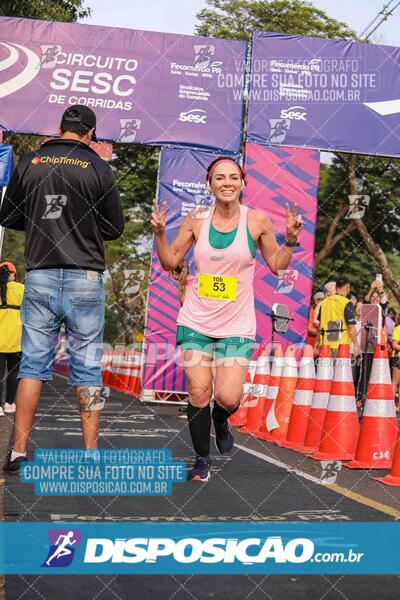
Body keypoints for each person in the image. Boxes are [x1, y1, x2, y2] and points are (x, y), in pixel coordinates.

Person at [151, 156, 302, 482]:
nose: (227, 183)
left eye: (233, 177)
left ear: (243, 183)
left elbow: (278, 265)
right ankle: (202, 459)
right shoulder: (196, 220)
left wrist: (289, 240)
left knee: (228, 398)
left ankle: (221, 420)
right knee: (199, 391)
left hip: (236, 324)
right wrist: (161, 235)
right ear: (210, 184)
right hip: (196, 321)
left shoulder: (256, 221)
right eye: (220, 178)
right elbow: (170, 261)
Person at [0, 105, 124, 473]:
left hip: (39, 274)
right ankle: (89, 455)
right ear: (90, 133)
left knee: (32, 367)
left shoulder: (32, 161)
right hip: (85, 277)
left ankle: (18, 451)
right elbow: (114, 228)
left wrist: (41, 220)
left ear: (61, 128)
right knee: (88, 369)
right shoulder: (100, 168)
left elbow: (7, 215)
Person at [0, 262, 24, 416]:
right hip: (16, 340)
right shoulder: (21, 289)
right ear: (14, 274)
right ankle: (9, 403)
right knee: (14, 373)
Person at [316, 276, 359, 359]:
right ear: (347, 288)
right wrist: (356, 345)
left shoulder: (324, 302)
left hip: (324, 346)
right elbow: (351, 327)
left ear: (336, 288)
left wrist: (317, 342)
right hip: (341, 347)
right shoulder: (347, 303)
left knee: (325, 371)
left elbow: (320, 325)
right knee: (340, 372)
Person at [392, 313, 400, 409]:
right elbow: (394, 344)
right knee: (395, 382)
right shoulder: (398, 329)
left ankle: (399, 406)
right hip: (397, 357)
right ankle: (391, 404)